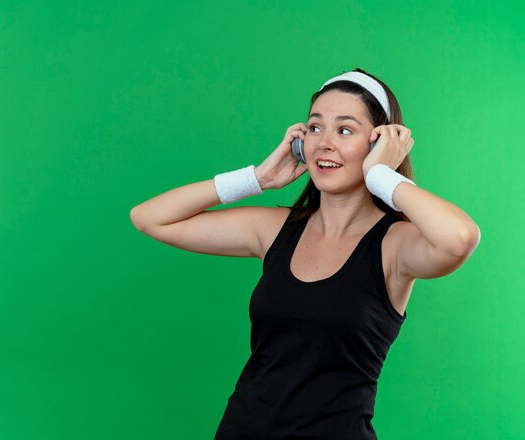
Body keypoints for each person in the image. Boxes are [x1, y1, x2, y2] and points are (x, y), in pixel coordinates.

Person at [129, 68, 480, 439]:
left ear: (378, 144)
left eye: (345, 130)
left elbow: (459, 237)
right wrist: (256, 179)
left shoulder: (395, 245)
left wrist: (382, 174)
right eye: (315, 128)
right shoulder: (276, 229)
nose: (323, 143)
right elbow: (150, 219)